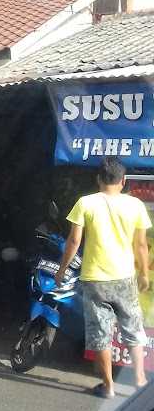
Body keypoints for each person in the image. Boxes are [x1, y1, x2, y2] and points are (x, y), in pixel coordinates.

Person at [54, 157, 151, 398]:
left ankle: (108, 386)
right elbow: (141, 245)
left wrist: (62, 270)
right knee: (132, 327)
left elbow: (74, 241)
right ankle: (139, 379)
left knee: (101, 333)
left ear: (98, 179)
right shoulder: (135, 205)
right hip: (125, 277)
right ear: (124, 181)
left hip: (95, 278)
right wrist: (144, 274)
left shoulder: (86, 203)